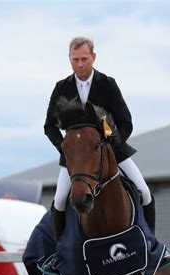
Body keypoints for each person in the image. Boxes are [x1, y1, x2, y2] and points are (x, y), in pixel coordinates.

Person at [44, 36, 156, 240]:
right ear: (69, 59)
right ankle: (59, 253)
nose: (79, 64)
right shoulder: (61, 87)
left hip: (111, 150)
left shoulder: (107, 84)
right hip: (77, 155)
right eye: (75, 59)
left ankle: (150, 244)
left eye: (84, 59)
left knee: (144, 191)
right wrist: (66, 149)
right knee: (60, 200)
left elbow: (126, 122)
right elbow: (49, 126)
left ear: (93, 57)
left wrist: (112, 144)